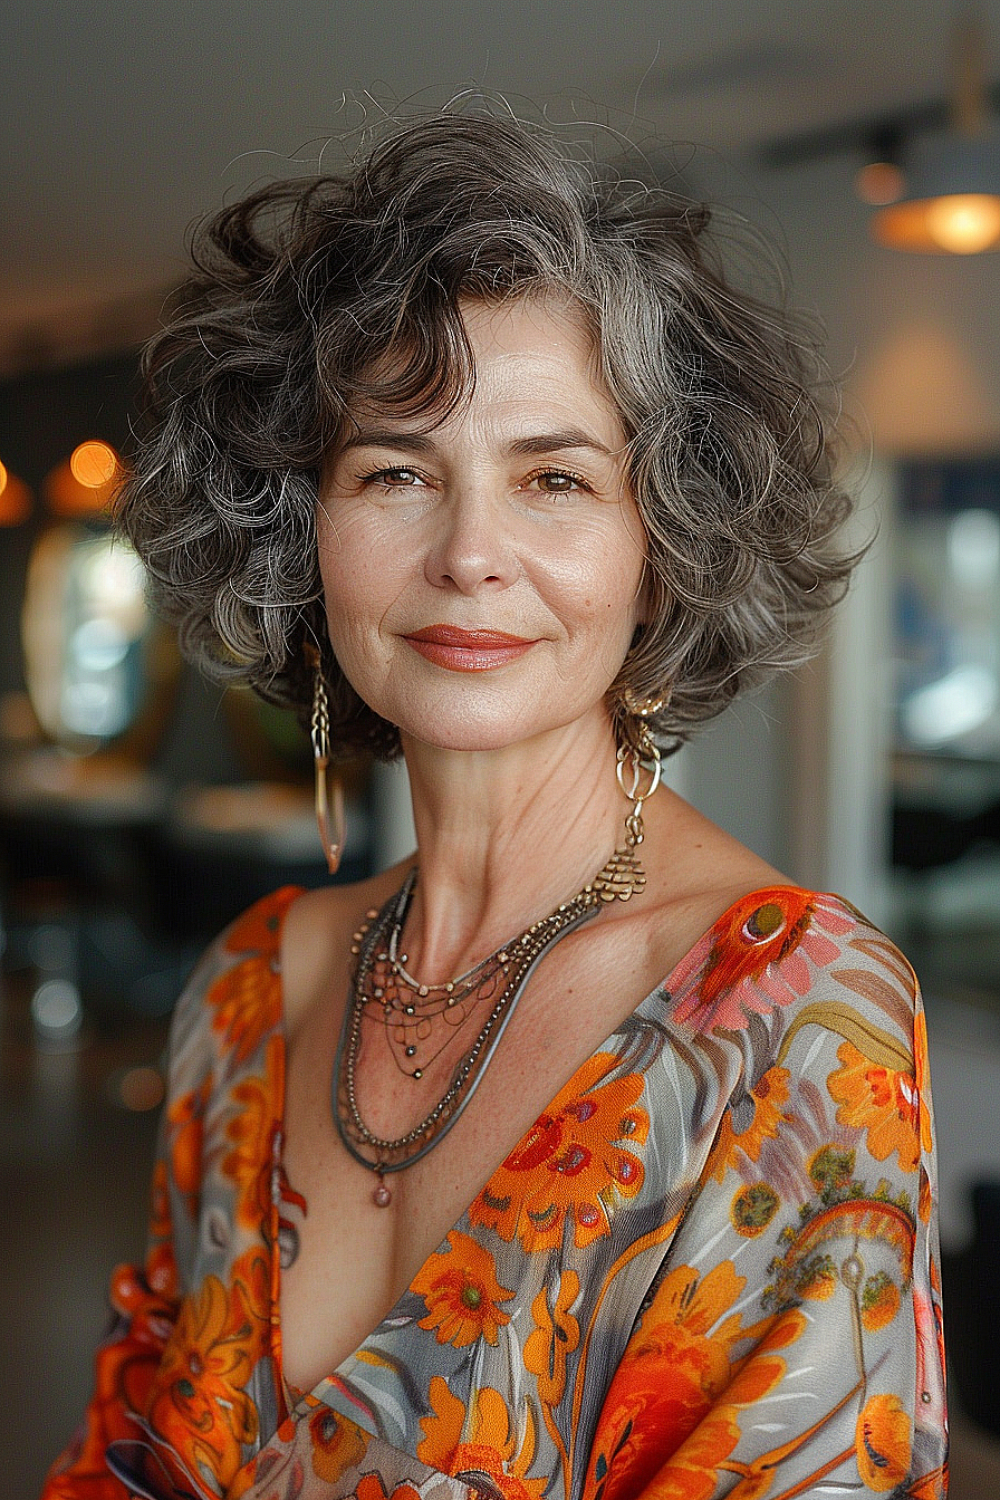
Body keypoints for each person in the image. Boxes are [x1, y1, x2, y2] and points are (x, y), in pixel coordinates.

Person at [43, 109, 947, 1500]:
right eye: (396, 470)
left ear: (667, 548)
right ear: (301, 533)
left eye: (556, 478)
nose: (471, 554)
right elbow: (121, 1451)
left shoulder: (791, 1021)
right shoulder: (241, 993)